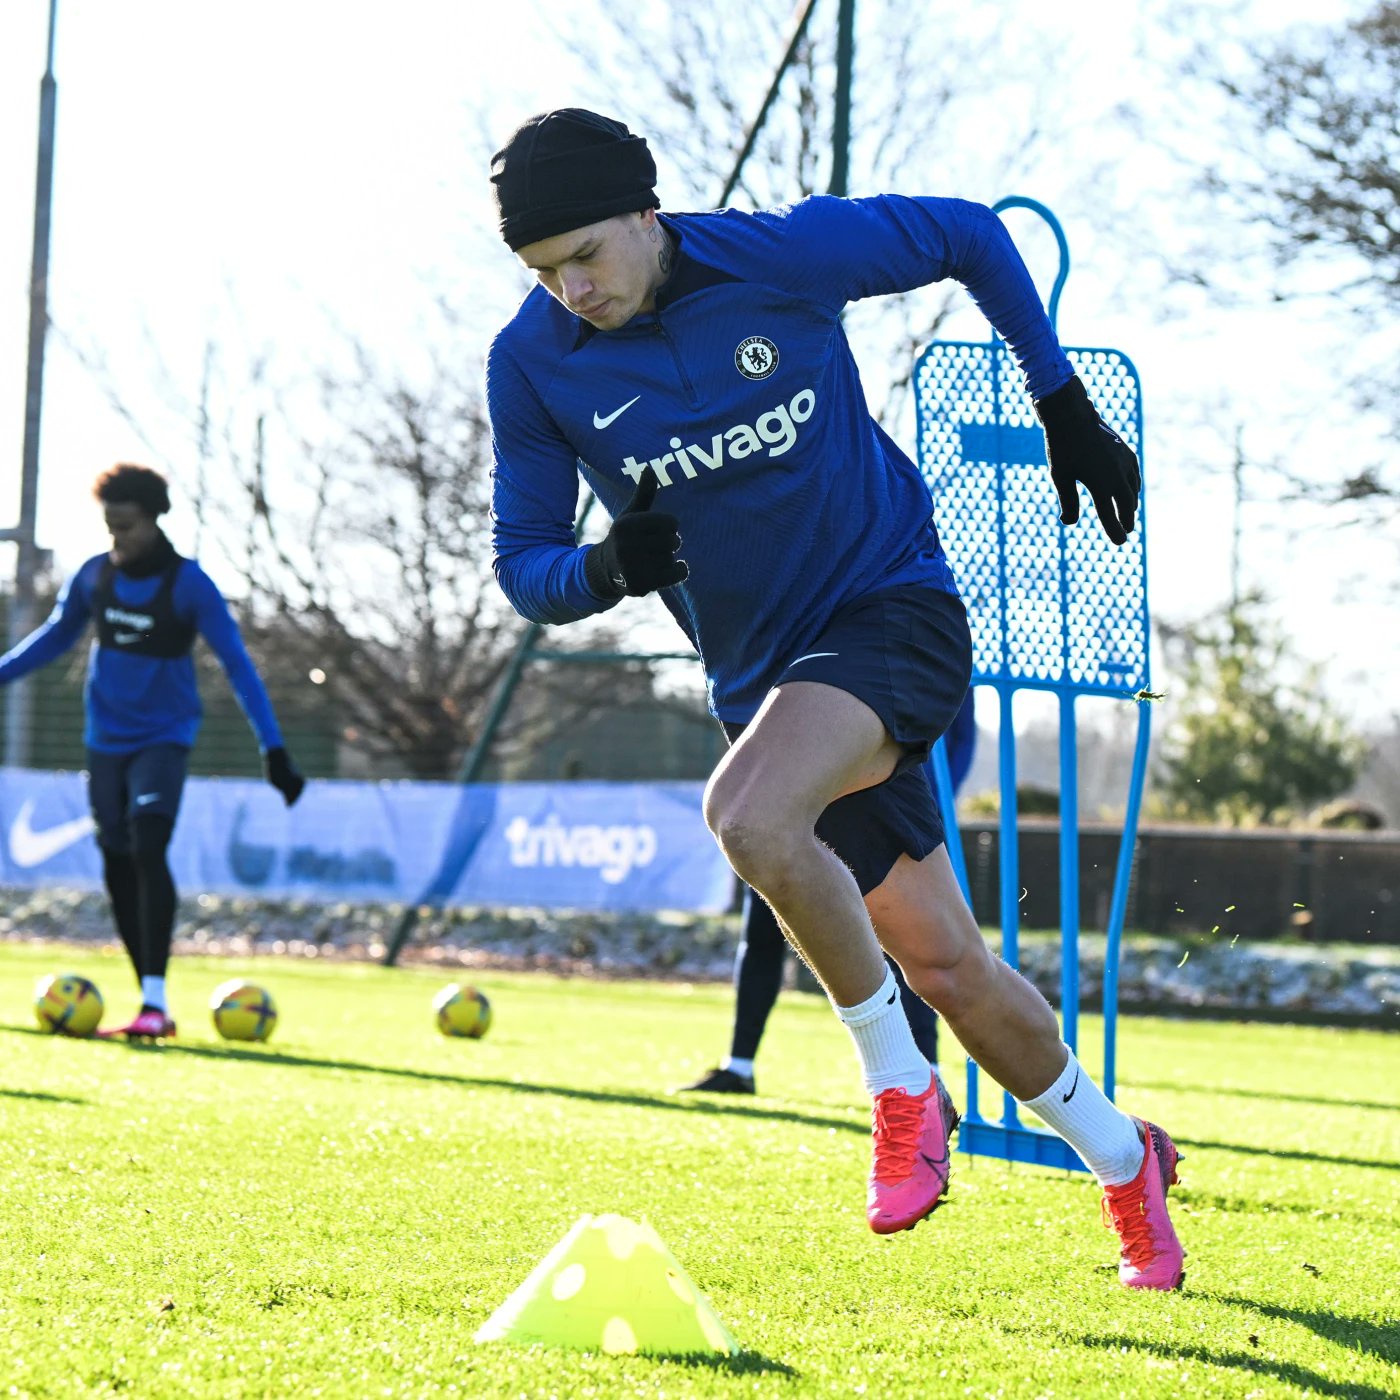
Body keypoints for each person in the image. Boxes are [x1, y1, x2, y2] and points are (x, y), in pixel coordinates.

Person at [484, 109, 1183, 1290]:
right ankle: (1125, 1161)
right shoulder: (531, 363)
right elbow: (525, 565)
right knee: (949, 967)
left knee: (749, 819)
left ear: (646, 212)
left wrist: (1055, 394)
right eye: (541, 271)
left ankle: (898, 1086)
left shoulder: (783, 257)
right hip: (766, 685)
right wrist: (608, 567)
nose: (571, 290)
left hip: (891, 609)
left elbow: (968, 235)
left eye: (586, 255)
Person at [0, 464, 306, 1039]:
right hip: (104, 742)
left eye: (128, 527)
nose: (118, 539)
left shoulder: (189, 586)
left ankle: (157, 1000)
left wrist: (275, 748)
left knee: (148, 840)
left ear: (155, 519)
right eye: (111, 527)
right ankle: (149, 1004)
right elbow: (54, 638)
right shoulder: (94, 578)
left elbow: (238, 665)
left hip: (163, 737)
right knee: (116, 855)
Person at [681, 689, 977, 1096]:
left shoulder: (928, 638)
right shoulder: (802, 635)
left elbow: (960, 738)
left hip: (883, 815)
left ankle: (927, 1070)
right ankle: (739, 1066)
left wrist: (932, 802)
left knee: (909, 942)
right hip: (798, 807)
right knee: (763, 935)